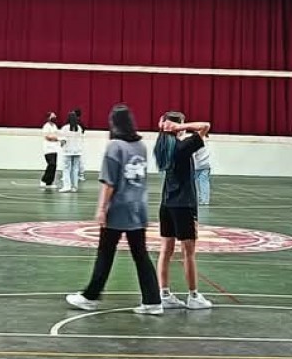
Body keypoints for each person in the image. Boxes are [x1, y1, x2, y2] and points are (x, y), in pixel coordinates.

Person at [65, 105, 163, 315]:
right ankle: (153, 300)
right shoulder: (141, 146)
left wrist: (101, 208)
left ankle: (90, 296)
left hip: (118, 208)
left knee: (105, 253)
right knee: (141, 255)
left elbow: (109, 182)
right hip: (138, 207)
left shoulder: (114, 147)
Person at [156, 112, 213, 310]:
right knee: (188, 253)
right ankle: (193, 295)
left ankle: (164, 293)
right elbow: (205, 125)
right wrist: (180, 127)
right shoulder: (182, 147)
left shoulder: (162, 147)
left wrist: (169, 127)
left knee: (165, 250)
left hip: (166, 204)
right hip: (184, 205)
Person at [58, 111, 86, 192]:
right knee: (75, 169)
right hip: (77, 151)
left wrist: (61, 144)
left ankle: (67, 186)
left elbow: (63, 140)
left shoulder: (65, 128)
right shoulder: (79, 128)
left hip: (68, 151)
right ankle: (74, 187)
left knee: (66, 169)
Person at [40, 111, 60, 190]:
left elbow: (56, 135)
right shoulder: (46, 126)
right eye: (53, 116)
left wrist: (57, 139)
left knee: (54, 165)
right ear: (49, 118)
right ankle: (43, 180)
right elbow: (47, 137)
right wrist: (55, 139)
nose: (55, 117)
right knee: (51, 164)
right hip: (48, 149)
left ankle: (49, 182)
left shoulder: (54, 126)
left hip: (55, 148)